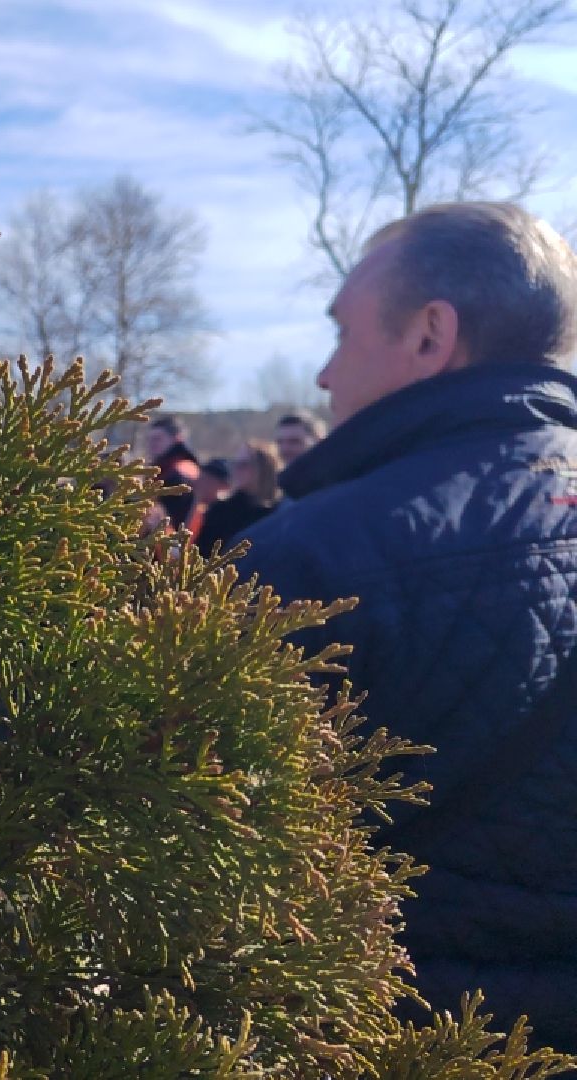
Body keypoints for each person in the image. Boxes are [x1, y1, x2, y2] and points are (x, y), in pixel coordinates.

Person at [236, 202, 577, 1039]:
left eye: (343, 332)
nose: (322, 375)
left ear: (431, 334)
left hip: (399, 1035)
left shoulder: (309, 559)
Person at [193, 440, 279, 554]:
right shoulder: (221, 511)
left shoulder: (279, 510)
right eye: (235, 463)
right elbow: (201, 554)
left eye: (244, 465)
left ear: (263, 469)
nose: (237, 469)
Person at [141, 416, 201, 527]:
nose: (151, 444)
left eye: (158, 439)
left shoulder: (183, 470)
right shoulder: (161, 468)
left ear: (176, 439)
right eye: (149, 439)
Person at [183, 457, 230, 537]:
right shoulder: (191, 507)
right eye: (200, 478)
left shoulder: (222, 515)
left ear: (223, 486)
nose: (199, 483)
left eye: (207, 481)